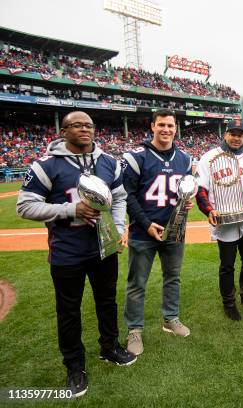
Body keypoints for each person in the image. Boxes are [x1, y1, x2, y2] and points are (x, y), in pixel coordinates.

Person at [16, 111, 136, 398]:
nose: (84, 129)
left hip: (103, 248)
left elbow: (119, 197)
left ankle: (110, 347)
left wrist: (118, 226)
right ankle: (74, 366)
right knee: (68, 311)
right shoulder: (47, 165)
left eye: (89, 125)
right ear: (64, 130)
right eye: (77, 125)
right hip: (67, 251)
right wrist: (70, 209)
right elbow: (25, 206)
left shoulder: (109, 162)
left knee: (107, 301)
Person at [122, 109, 193, 356]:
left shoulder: (185, 158)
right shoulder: (136, 157)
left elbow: (187, 189)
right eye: (161, 124)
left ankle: (170, 318)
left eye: (170, 125)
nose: (166, 130)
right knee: (137, 283)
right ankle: (134, 330)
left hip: (174, 231)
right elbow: (127, 196)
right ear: (152, 126)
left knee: (173, 278)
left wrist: (187, 202)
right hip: (144, 232)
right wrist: (145, 223)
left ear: (176, 128)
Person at [195, 119, 243, 320]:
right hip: (225, 224)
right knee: (227, 265)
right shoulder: (209, 158)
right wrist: (209, 210)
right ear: (225, 134)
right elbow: (201, 190)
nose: (236, 138)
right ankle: (229, 302)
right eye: (233, 133)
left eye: (240, 134)